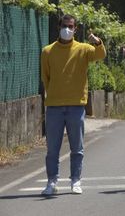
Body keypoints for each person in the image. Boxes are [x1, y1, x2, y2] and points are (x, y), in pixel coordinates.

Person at [40, 14, 106, 195]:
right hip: (53, 106)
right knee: (52, 149)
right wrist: (53, 93)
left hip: (76, 105)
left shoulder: (84, 49)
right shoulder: (47, 51)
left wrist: (98, 42)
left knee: (77, 148)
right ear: (58, 26)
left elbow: (100, 55)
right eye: (64, 25)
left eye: (71, 26)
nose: (67, 29)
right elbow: (45, 77)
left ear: (76, 29)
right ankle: (52, 182)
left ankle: (75, 180)